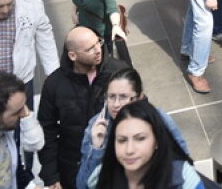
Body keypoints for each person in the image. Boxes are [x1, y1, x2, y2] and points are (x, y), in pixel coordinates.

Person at [75, 69, 198, 189]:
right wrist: (96, 149)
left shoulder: (159, 119)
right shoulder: (97, 127)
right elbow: (82, 184)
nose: (116, 104)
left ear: (139, 97)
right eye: (111, 97)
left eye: (123, 97)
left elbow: (183, 158)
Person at [38, 26, 127, 189]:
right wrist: (51, 175)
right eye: (90, 49)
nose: (98, 50)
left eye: (98, 43)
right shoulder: (55, 84)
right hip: (74, 165)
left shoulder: (119, 72)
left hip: (115, 161)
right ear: (72, 55)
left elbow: (139, 113)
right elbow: (46, 129)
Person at [95, 100, 211, 189]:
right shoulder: (102, 173)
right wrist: (95, 148)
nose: (129, 150)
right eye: (122, 140)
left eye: (140, 139)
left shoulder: (183, 177)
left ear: (157, 141)